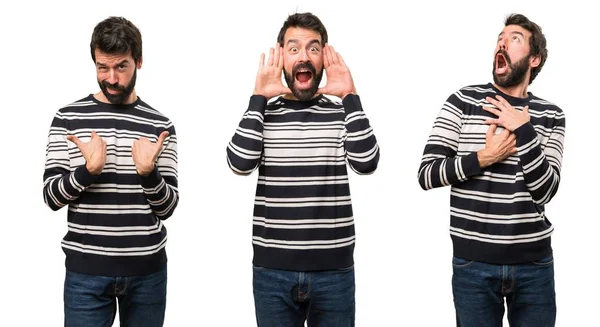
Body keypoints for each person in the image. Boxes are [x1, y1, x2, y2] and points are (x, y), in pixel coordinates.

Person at [227, 12, 379, 326]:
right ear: (281, 56)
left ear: (324, 56)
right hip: (273, 273)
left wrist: (350, 96)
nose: (303, 57)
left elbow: (367, 162)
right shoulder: (263, 114)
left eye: (313, 48)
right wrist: (258, 98)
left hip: (334, 273)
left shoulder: (341, 113)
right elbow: (239, 162)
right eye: (294, 48)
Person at [418, 13, 565, 326]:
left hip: (534, 266)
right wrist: (484, 157)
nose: (502, 42)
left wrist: (524, 130)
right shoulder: (463, 101)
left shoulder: (552, 115)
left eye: (514, 39)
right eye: (500, 38)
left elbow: (546, 190)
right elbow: (427, 174)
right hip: (473, 265)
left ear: (534, 58)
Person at [42, 16, 178, 327]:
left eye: (121, 67)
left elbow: (168, 207)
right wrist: (87, 172)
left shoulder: (161, 126)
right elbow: (51, 197)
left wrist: (149, 174)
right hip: (85, 275)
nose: (111, 78)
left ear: (139, 61)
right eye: (103, 68)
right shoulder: (68, 119)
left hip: (148, 274)